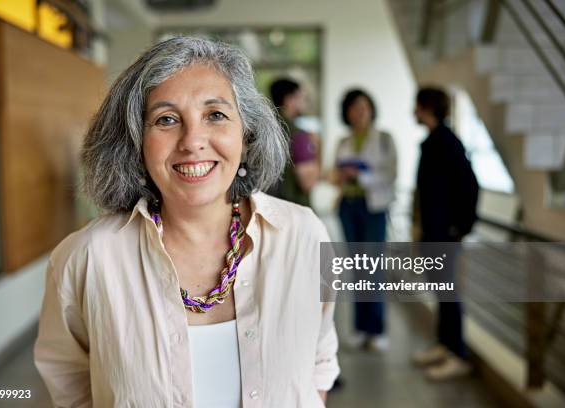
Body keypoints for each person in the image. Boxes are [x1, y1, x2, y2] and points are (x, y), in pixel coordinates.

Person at [33, 37, 339, 407]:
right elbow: (70, 387)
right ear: (135, 143)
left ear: (246, 134)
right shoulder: (86, 259)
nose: (193, 141)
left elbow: (319, 363)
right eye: (166, 119)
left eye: (215, 115)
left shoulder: (304, 236)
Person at [411, 86, 478, 381]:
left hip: (444, 233)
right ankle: (444, 345)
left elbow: (470, 185)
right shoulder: (432, 142)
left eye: (416, 105)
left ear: (426, 108)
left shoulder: (447, 142)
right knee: (440, 290)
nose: (412, 111)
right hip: (433, 230)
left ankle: (458, 354)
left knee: (448, 291)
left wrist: (460, 227)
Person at [333, 89, 397, 350]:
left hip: (374, 208)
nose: (359, 112)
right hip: (349, 207)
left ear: (371, 110)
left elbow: (391, 174)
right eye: (353, 108)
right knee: (358, 268)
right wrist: (343, 174)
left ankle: (377, 329)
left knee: (373, 268)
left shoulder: (384, 139)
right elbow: (335, 173)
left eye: (363, 107)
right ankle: (360, 327)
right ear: (346, 113)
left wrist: (361, 176)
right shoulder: (343, 141)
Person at [268, 78, 320, 207]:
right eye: (301, 98)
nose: (304, 103)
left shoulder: (263, 129)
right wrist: (319, 148)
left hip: (265, 207)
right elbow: (307, 183)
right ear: (289, 100)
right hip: (293, 210)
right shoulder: (298, 135)